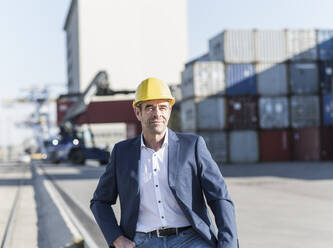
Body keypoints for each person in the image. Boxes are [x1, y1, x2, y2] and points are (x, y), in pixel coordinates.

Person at [90, 77, 238, 248]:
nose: (157, 114)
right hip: (143, 241)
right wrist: (116, 238)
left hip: (190, 239)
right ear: (138, 112)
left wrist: (228, 243)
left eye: (162, 107)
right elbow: (99, 201)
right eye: (150, 107)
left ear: (169, 111)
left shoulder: (192, 146)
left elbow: (219, 197)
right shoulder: (122, 153)